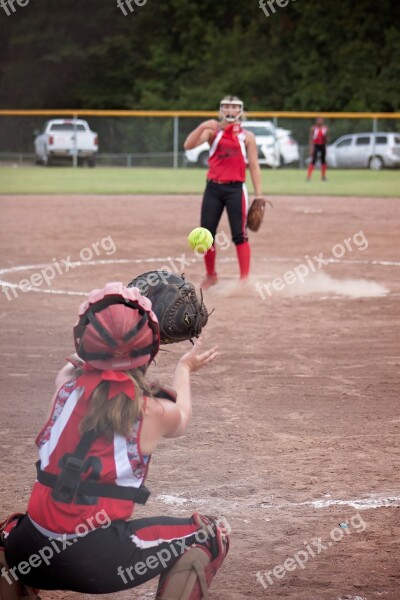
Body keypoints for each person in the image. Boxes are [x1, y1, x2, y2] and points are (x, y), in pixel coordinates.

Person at [3, 282, 229, 599]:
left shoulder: (65, 385)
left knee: (7, 535)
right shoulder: (150, 410)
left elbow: (79, 356)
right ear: (148, 351)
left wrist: (119, 316)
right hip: (96, 563)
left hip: (28, 554)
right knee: (211, 535)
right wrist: (184, 366)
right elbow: (182, 415)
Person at [184, 95, 263, 289]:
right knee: (206, 233)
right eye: (227, 106)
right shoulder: (213, 132)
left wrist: (259, 194)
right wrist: (204, 126)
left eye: (234, 107)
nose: (230, 109)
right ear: (221, 109)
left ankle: (244, 279)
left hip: (236, 189)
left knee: (240, 234)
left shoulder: (247, 137)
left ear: (240, 111)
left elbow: (253, 166)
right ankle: (211, 276)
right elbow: (188, 145)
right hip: (213, 188)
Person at [306, 116, 329, 181]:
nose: (319, 121)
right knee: (313, 160)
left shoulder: (325, 128)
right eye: (318, 120)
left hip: (322, 145)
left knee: (323, 161)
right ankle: (309, 176)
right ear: (316, 121)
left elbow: (327, 138)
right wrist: (311, 148)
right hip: (316, 145)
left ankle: (323, 176)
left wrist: (326, 145)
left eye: (320, 120)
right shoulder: (313, 128)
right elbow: (311, 139)